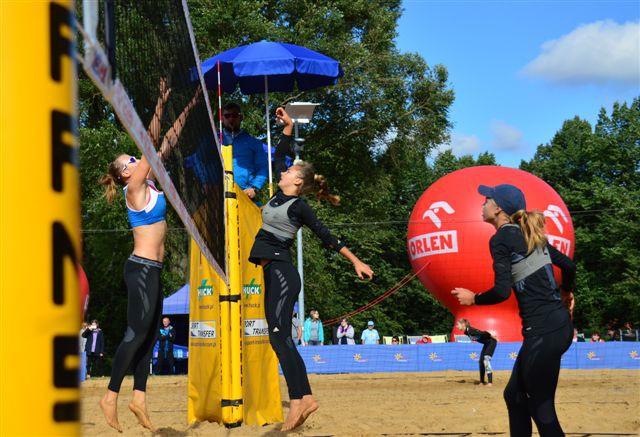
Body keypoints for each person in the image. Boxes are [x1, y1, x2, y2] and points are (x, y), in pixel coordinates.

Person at [248, 106, 373, 431]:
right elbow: (279, 156)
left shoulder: (299, 205)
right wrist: (287, 126)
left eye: (290, 171)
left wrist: (356, 260)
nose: (284, 171)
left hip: (283, 274)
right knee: (279, 340)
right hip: (272, 272)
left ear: (298, 181)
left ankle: (301, 399)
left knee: (280, 338)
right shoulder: (277, 196)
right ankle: (305, 399)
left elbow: (326, 236)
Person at [97, 78, 201, 432]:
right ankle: (110, 395)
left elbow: (166, 141)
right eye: (129, 159)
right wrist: (158, 103)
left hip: (152, 271)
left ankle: (138, 397)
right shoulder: (135, 188)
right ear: (125, 172)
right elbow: (151, 141)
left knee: (151, 334)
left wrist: (189, 106)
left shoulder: (150, 182)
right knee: (135, 334)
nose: (134, 158)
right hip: (140, 269)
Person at [451, 183, 576, 437]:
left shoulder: (500, 239)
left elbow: (501, 291)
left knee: (542, 409)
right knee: (514, 397)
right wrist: (566, 292)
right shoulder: (531, 234)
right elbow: (568, 266)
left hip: (543, 332)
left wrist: (473, 298)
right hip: (556, 327)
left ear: (498, 209)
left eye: (487, 199)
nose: (482, 203)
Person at [221, 102, 269, 200]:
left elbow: (263, 167)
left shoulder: (254, 142)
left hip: (244, 195)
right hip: (216, 195)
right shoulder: (213, 139)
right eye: (227, 116)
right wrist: (205, 182)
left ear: (241, 117)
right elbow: (199, 160)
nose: (231, 119)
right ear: (222, 118)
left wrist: (254, 188)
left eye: (234, 115)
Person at [457, 319, 498, 386]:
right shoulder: (466, 332)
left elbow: (483, 333)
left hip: (491, 342)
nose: (457, 326)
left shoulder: (470, 330)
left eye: (458, 324)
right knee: (481, 361)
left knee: (486, 360)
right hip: (486, 343)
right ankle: (482, 381)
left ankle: (490, 382)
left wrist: (493, 337)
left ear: (463, 324)